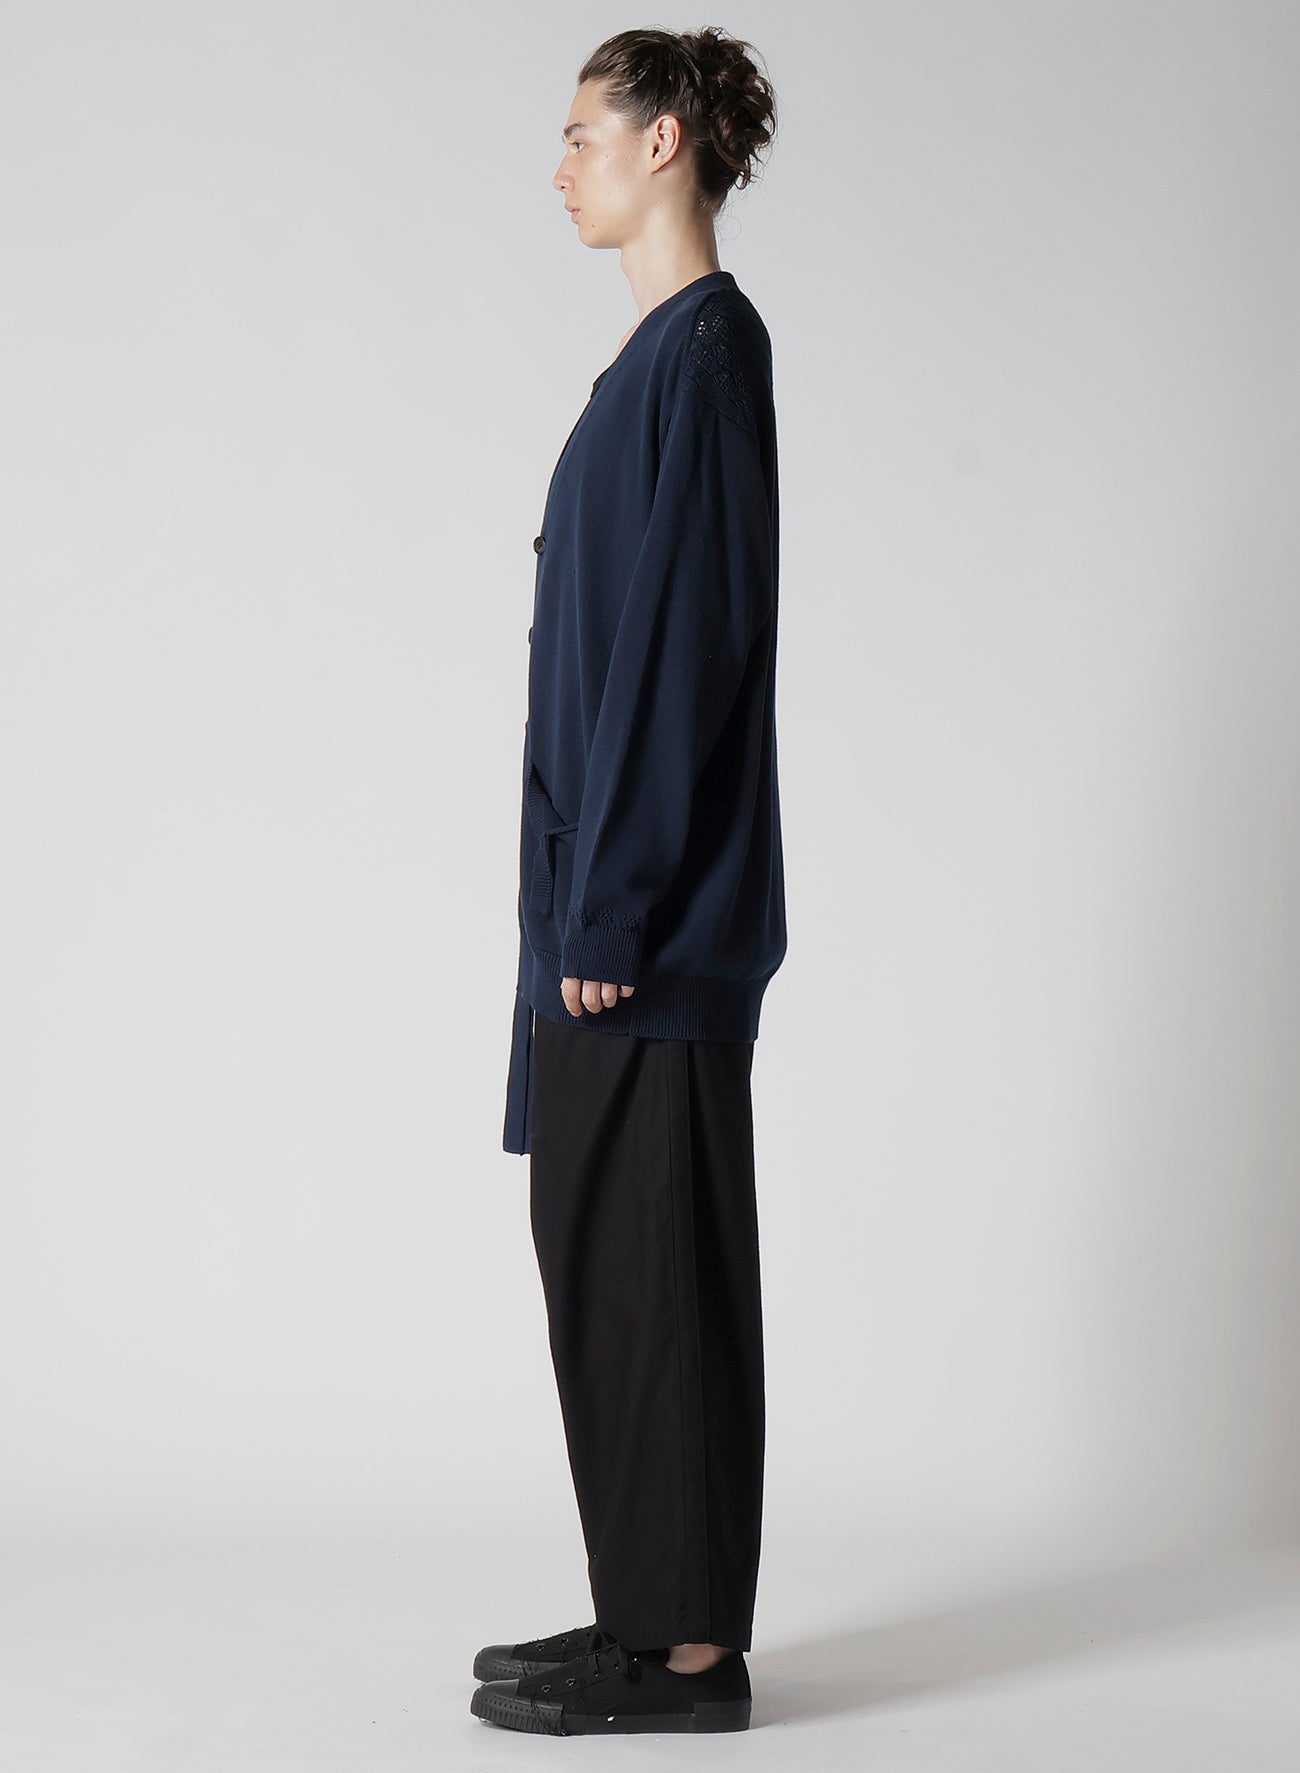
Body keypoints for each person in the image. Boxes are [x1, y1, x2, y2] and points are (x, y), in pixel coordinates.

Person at [474, 25, 786, 1738]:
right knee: (603, 1261)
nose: (562, 166)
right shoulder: (645, 363)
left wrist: (615, 905)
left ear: (664, 142)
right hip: (594, 915)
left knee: (659, 1267)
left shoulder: (709, 351)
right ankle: (644, 1608)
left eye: (583, 134)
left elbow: (685, 651)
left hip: (644, 926)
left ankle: (687, 1659)